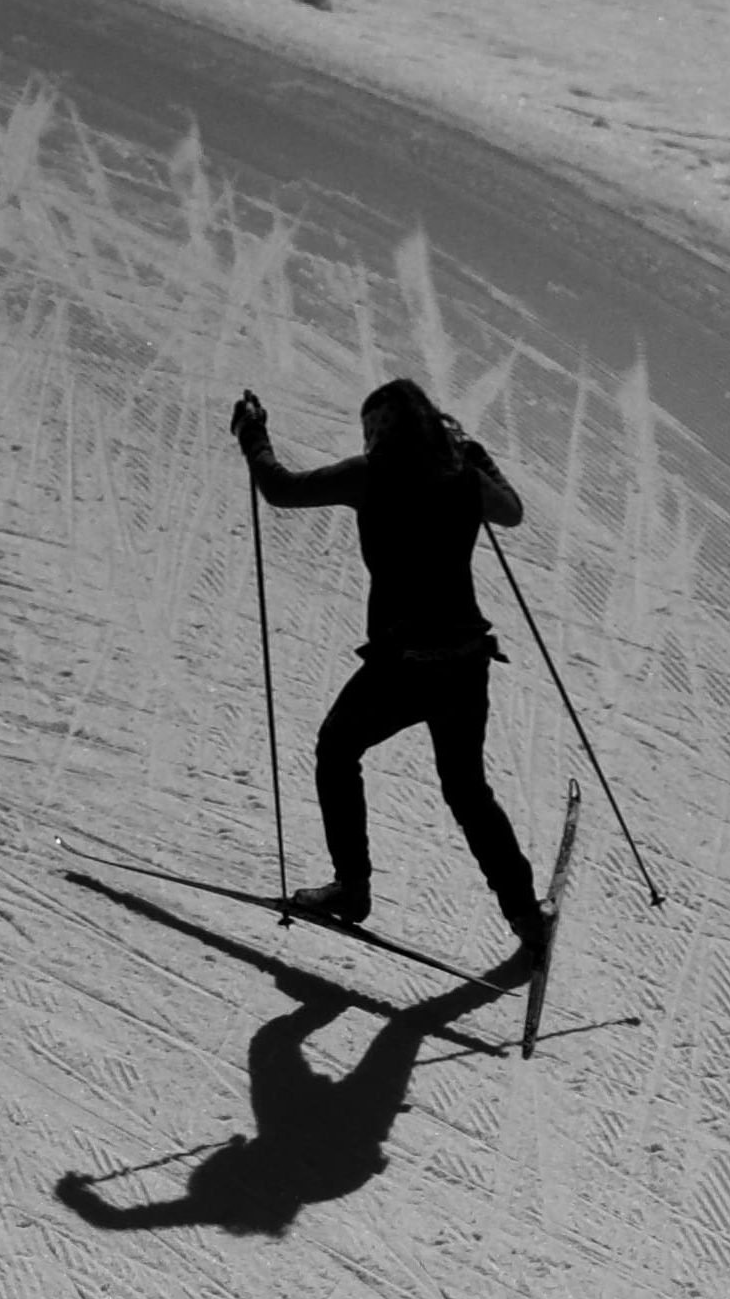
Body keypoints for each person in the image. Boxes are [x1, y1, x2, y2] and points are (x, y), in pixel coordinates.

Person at [230, 377, 548, 960]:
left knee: (337, 748)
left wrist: (254, 435)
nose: (371, 436)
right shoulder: (463, 480)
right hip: (463, 661)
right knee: (466, 790)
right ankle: (526, 916)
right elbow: (514, 514)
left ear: (391, 429)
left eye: (376, 426)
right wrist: (480, 460)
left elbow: (279, 490)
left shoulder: (369, 474)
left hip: (405, 664)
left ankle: (352, 888)